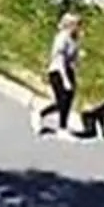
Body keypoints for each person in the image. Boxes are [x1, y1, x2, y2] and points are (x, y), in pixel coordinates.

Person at [37, 8, 82, 138]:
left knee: (67, 101)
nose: (79, 27)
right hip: (57, 71)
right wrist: (66, 80)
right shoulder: (62, 38)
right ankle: (41, 114)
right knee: (62, 100)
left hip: (68, 70)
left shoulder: (73, 39)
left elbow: (73, 57)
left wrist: (76, 64)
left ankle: (62, 128)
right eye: (78, 24)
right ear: (70, 24)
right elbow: (59, 60)